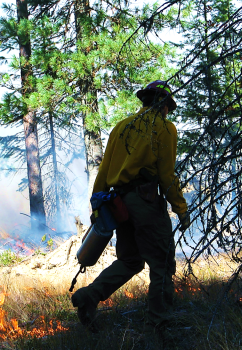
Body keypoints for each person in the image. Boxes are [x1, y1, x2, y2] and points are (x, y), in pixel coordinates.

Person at [71, 80, 190, 333]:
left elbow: (103, 173)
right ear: (164, 104)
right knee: (161, 263)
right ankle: (159, 324)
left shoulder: (121, 127)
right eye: (168, 107)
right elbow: (167, 176)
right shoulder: (166, 128)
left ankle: (89, 296)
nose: (168, 111)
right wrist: (181, 208)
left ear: (145, 100)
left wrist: (96, 208)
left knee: (130, 260)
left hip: (120, 205)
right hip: (145, 202)